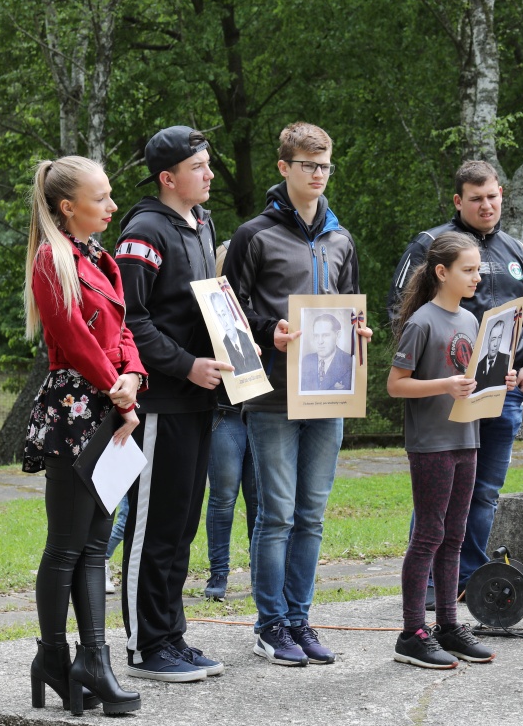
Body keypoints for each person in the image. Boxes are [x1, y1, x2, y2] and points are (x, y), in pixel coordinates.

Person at [225, 122, 372, 666]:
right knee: (277, 515)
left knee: (312, 514)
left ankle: (299, 619)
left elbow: (349, 303)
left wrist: (359, 333)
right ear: (284, 167)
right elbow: (230, 312)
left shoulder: (341, 238)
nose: (318, 174)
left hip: (330, 394)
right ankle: (270, 626)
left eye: (325, 165)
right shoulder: (253, 235)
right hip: (271, 395)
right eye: (308, 165)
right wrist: (271, 332)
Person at [386, 160, 523, 594]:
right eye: (476, 198)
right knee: (438, 495)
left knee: (485, 490)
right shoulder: (432, 245)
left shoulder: (518, 252)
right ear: (459, 201)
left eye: (492, 196)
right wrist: (437, 373)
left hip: (503, 390)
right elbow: (399, 311)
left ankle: (466, 582)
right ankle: (430, 584)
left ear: (501, 195)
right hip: (447, 395)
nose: (486, 205)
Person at [22, 156, 143, 715]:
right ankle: (54, 657)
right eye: (102, 198)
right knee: (67, 544)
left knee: (95, 543)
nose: (113, 206)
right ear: (68, 206)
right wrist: (119, 392)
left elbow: (123, 332)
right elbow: (72, 338)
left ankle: (93, 660)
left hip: (108, 403)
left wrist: (133, 376)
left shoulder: (100, 258)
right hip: (75, 409)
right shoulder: (53, 259)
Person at [114, 125, 232, 682]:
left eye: (208, 164)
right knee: (153, 528)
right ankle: (144, 647)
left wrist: (243, 343)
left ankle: (170, 635)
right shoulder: (143, 232)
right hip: (160, 402)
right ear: (167, 177)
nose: (209, 174)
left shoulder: (202, 223)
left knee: (182, 527)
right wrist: (186, 365)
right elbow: (130, 322)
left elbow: (208, 307)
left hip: (199, 401)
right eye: (198, 167)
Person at [387, 232, 511, 669]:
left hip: (466, 439)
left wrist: (498, 380)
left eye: (478, 270)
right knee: (428, 536)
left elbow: (471, 378)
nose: (477, 278)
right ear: (442, 272)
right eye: (469, 270)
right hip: (432, 444)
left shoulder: (472, 321)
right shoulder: (422, 322)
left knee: (455, 537)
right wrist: (445, 384)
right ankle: (411, 633)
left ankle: (448, 626)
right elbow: (396, 385)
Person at [205, 243, 258, 603]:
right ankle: (219, 575)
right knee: (223, 497)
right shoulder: (209, 309)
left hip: (260, 413)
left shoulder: (261, 305)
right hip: (224, 412)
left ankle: (261, 576)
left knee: (260, 500)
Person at [210, 291, 262, 376]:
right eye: (219, 316)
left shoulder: (246, 338)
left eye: (224, 314)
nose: (224, 323)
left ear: (230, 313)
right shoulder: (220, 345)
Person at [300, 313, 355, 392]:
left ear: (338, 335)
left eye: (325, 335)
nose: (320, 341)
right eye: (316, 336)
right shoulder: (306, 361)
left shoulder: (349, 362)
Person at [473, 319, 510, 390]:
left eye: (499, 338)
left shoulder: (506, 360)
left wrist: (510, 381)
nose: (496, 344)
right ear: (488, 341)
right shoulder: (478, 366)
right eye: (493, 339)